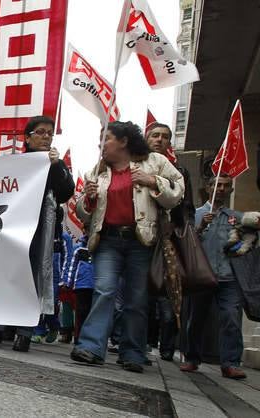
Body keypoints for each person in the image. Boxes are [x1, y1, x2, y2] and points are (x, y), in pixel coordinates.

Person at [70, 121, 184, 374]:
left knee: (136, 299)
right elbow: (84, 214)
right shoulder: (97, 171)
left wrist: (153, 181)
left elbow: (178, 192)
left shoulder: (154, 161)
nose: (101, 145)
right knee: (104, 290)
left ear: (123, 141)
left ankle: (132, 352)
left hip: (141, 241)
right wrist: (87, 199)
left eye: (106, 139)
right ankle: (91, 347)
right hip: (107, 240)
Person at [0, 116, 74, 352]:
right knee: (5, 274)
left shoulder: (54, 164)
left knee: (31, 276)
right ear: (27, 138)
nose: (46, 136)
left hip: (39, 228)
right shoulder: (14, 162)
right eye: (40, 132)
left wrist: (57, 165)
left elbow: (65, 192)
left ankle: (24, 332)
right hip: (9, 226)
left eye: (50, 133)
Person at [180, 174, 247, 379]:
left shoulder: (236, 217)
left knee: (231, 318)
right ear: (208, 188)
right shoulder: (196, 215)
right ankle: (192, 358)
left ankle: (230, 363)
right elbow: (186, 244)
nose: (222, 189)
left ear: (231, 191)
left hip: (229, 277)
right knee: (196, 318)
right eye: (218, 185)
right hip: (203, 275)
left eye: (227, 186)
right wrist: (200, 228)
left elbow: (244, 245)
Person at [145, 122, 196, 361]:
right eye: (154, 135)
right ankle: (137, 344)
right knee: (139, 296)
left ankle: (166, 348)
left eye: (165, 137)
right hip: (141, 240)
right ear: (146, 139)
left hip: (168, 243)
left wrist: (180, 231)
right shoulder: (135, 166)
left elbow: (187, 209)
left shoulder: (179, 173)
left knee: (168, 299)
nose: (159, 140)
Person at [62, 234, 95, 343]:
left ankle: (87, 337)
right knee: (80, 312)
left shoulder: (99, 249)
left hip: (94, 286)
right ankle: (78, 337)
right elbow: (72, 266)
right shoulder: (79, 248)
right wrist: (68, 282)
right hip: (80, 285)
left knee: (91, 313)